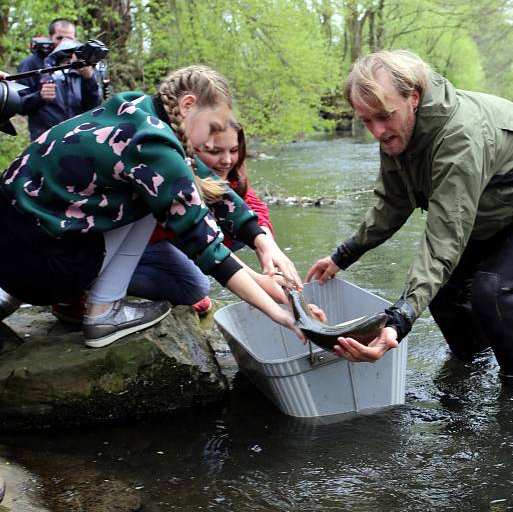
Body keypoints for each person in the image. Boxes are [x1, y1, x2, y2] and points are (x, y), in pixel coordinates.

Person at [306, 50, 513, 384]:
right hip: (491, 204)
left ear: (413, 97)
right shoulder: (399, 134)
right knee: (442, 292)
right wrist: (345, 254)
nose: (378, 131)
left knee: (492, 291)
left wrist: (398, 320)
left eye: (383, 116)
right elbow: (392, 203)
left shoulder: (459, 138)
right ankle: (472, 363)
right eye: (366, 120)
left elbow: (444, 237)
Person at [0, 65, 306, 348]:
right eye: (213, 127)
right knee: (146, 203)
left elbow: (211, 187)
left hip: (10, 253)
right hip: (44, 270)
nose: (211, 139)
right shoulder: (152, 144)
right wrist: (275, 312)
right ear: (188, 105)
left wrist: (263, 242)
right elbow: (203, 244)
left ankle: (7, 297)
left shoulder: (133, 109)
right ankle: (104, 311)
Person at [126, 119, 299, 315]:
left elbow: (253, 207)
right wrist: (259, 282)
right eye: (215, 152)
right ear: (191, 151)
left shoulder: (227, 174)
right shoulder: (174, 180)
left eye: (233, 151)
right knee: (195, 287)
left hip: (184, 242)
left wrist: (270, 254)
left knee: (243, 231)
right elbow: (204, 241)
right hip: (141, 243)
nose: (226, 160)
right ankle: (97, 284)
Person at [16, 18, 102, 140]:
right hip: (45, 141)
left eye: (69, 39)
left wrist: (89, 79)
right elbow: (18, 105)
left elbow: (94, 108)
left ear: (75, 39)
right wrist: (39, 97)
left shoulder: (81, 64)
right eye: (59, 38)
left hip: (79, 138)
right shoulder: (32, 63)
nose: (64, 43)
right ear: (50, 37)